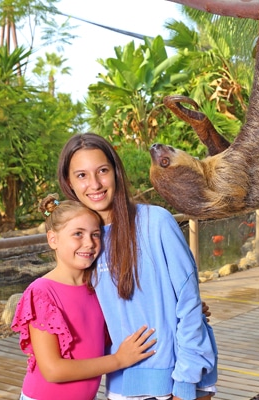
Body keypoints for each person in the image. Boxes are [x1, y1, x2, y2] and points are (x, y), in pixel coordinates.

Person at [57, 133, 218, 400]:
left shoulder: (156, 222)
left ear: (116, 172)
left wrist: (185, 383)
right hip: (124, 382)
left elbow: (188, 303)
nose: (94, 184)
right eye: (82, 175)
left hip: (179, 377)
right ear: (69, 182)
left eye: (102, 171)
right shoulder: (84, 245)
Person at [12, 194, 157, 400]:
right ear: (53, 239)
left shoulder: (99, 286)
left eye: (95, 234)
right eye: (78, 234)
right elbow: (53, 370)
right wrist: (119, 360)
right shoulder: (42, 293)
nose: (89, 243)